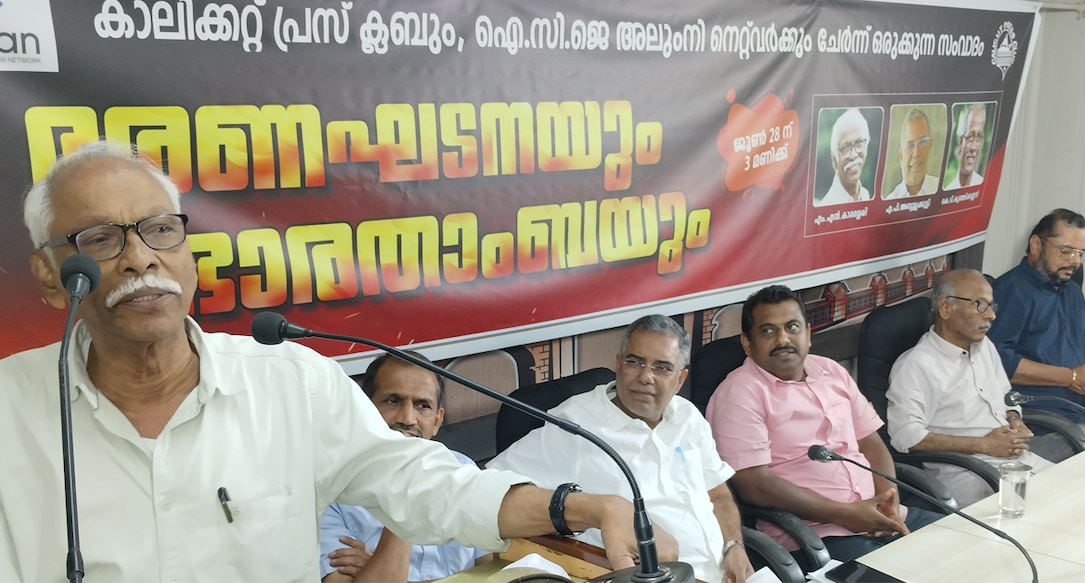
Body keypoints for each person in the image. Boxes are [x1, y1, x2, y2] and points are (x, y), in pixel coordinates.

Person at [0, 140, 647, 581]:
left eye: (160, 229)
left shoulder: (288, 379)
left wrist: (574, 505)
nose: (140, 256)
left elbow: (428, 485)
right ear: (52, 276)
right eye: (101, 239)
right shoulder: (11, 409)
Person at [488, 315, 754, 583]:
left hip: (726, 573)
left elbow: (718, 495)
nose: (645, 376)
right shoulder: (577, 427)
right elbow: (488, 490)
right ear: (618, 363)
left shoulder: (688, 416)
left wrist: (734, 545)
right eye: (634, 362)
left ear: (680, 379)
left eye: (661, 368)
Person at [706, 285, 941, 562]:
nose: (783, 339)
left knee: (970, 546)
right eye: (768, 331)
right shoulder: (740, 393)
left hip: (882, 518)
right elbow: (754, 484)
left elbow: (870, 442)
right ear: (748, 342)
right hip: (815, 536)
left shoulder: (831, 371)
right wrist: (846, 514)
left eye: (792, 327)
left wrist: (889, 500)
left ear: (807, 334)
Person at [886, 270, 1068, 508]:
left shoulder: (985, 346)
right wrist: (984, 444)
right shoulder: (915, 365)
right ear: (945, 308)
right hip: (969, 472)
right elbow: (905, 436)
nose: (991, 315)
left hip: (1015, 460)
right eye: (980, 305)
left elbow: (1006, 398)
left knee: (1079, 491)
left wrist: (1014, 420)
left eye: (992, 306)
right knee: (1051, 510)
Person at [321, 352, 492, 582]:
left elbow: (489, 572)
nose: (407, 418)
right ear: (364, 409)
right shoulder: (329, 490)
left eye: (422, 405)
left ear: (437, 421)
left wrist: (374, 567)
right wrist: (406, 487)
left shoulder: (463, 470)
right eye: (393, 401)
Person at [988, 209, 1085, 445]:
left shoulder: (1072, 291)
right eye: (1066, 251)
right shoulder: (1011, 291)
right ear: (1036, 244)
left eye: (1081, 253)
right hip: (1050, 418)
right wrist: (1071, 377)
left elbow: (1073, 355)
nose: (1076, 261)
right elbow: (997, 363)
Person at [818, 109, 873, 206]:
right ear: (834, 159)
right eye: (845, 148)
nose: (853, 155)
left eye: (859, 143)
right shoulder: (827, 207)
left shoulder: (865, 195)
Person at [884, 108, 940, 199]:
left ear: (930, 145)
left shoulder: (943, 190)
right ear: (900, 156)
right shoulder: (889, 203)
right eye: (910, 146)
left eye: (922, 142)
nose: (916, 153)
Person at [945, 104, 986, 190]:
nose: (973, 148)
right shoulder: (949, 190)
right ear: (960, 143)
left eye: (979, 138)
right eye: (970, 137)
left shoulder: (984, 187)